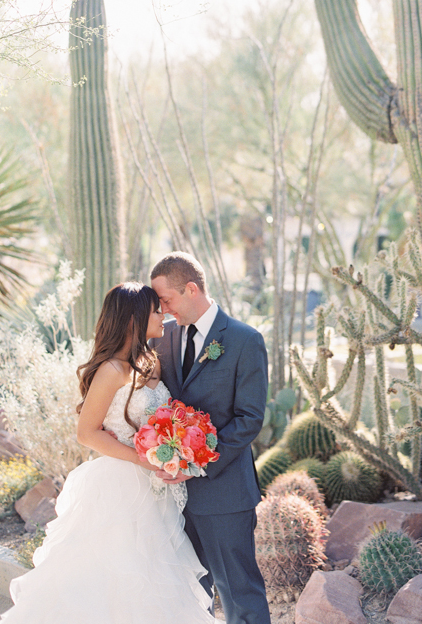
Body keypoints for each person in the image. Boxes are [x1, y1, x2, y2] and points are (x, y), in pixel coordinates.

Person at [0, 282, 215, 624]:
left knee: (155, 577)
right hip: (121, 485)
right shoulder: (111, 370)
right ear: (134, 318)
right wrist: (142, 458)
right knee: (119, 576)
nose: (164, 315)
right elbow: (87, 433)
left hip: (158, 486)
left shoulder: (150, 362)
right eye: (156, 309)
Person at [150, 252, 270, 624]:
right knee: (187, 591)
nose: (163, 309)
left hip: (225, 493)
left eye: (166, 300)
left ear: (191, 289)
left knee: (239, 591)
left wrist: (195, 465)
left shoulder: (244, 340)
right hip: (171, 497)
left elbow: (249, 419)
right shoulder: (164, 337)